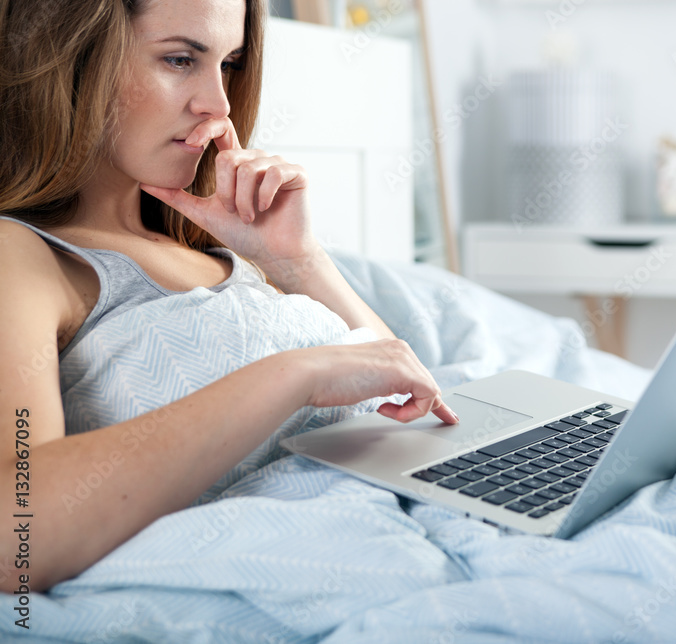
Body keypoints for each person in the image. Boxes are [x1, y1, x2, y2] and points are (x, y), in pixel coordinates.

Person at [0, 0, 459, 593]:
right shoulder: (25, 256)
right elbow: (18, 531)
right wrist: (293, 375)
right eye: (179, 58)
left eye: (230, 63)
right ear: (72, 62)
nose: (217, 104)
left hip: (424, 524)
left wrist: (297, 262)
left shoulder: (224, 253)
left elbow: (408, 388)